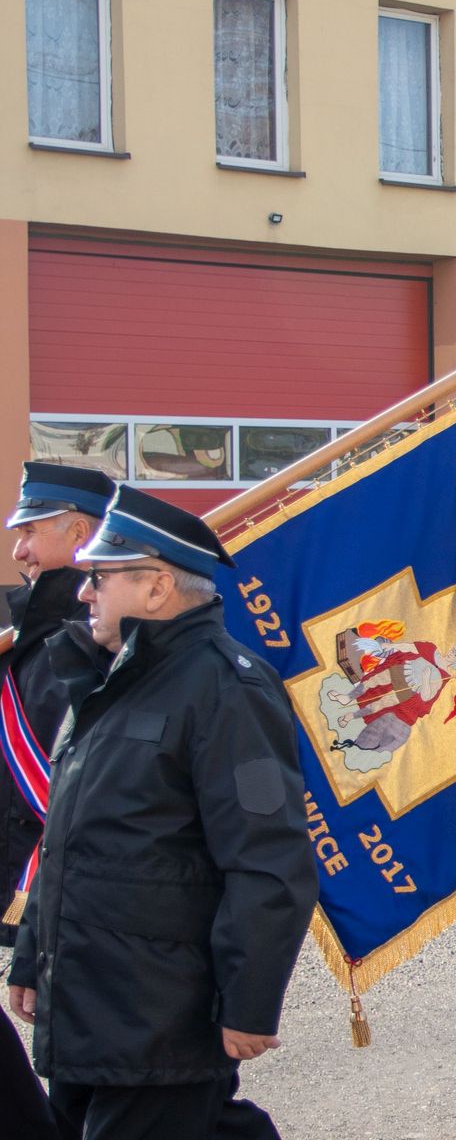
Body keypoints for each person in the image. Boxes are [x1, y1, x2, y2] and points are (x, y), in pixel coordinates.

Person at [7, 487, 317, 1138]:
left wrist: (250, 1000)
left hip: (158, 1015)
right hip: (87, 1003)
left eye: (99, 578)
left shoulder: (229, 689)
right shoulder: (106, 679)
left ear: (156, 588)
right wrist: (34, 955)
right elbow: (64, 836)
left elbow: (270, 858)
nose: (84, 593)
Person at [2, 463, 115, 1140]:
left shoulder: (86, 640)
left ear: (79, 535)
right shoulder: (36, 632)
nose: (18, 551)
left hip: (64, 884)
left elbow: (66, 784)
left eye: (30, 533)